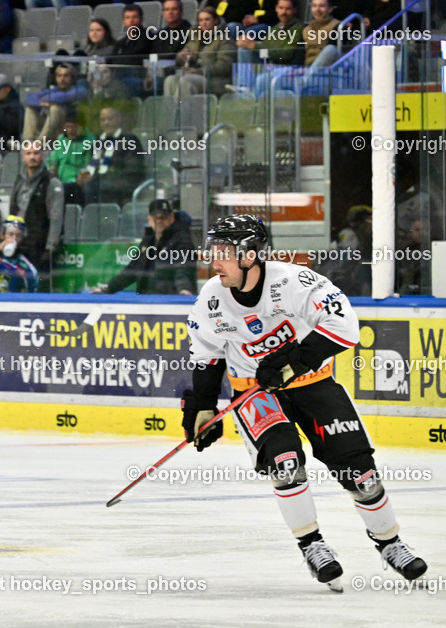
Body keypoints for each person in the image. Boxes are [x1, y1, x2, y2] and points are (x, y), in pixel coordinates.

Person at [183, 215, 427, 591]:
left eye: (223, 253)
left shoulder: (293, 281)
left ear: (249, 255)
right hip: (254, 391)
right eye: (212, 251)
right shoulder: (211, 299)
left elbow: (344, 325)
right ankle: (313, 546)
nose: (213, 262)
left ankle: (390, 544)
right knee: (285, 464)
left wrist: (295, 360)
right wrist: (201, 405)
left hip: (312, 382)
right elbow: (207, 355)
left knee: (359, 472)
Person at [93, 199, 196, 295]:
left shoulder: (182, 239)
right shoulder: (148, 241)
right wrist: (108, 288)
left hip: (170, 299)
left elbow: (183, 267)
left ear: (171, 218)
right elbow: (133, 269)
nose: (159, 221)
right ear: (149, 219)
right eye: (156, 217)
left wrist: (184, 289)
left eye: (163, 217)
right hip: (147, 299)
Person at [9, 142, 63, 279]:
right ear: (23, 157)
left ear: (42, 156)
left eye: (36, 153)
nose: (32, 157)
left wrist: (50, 248)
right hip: (19, 244)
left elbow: (56, 218)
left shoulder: (52, 182)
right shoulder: (19, 180)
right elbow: (13, 209)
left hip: (39, 246)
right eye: (28, 153)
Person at [74, 107, 145, 206]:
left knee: (91, 186)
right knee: (71, 188)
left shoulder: (130, 140)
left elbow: (132, 171)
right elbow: (92, 164)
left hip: (121, 184)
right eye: (103, 120)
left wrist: (96, 177)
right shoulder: (99, 140)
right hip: (100, 181)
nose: (106, 123)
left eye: (110, 119)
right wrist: (83, 175)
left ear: (118, 119)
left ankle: (92, 219)